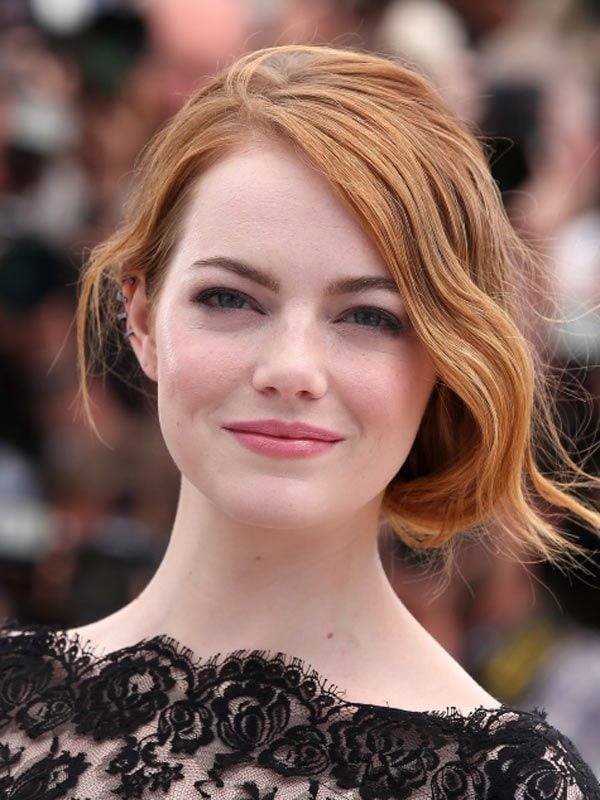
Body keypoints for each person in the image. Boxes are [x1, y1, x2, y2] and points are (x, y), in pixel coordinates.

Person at [1, 43, 599, 799]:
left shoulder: (502, 784)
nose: (291, 369)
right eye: (230, 299)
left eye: (369, 316)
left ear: (445, 358)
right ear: (143, 319)